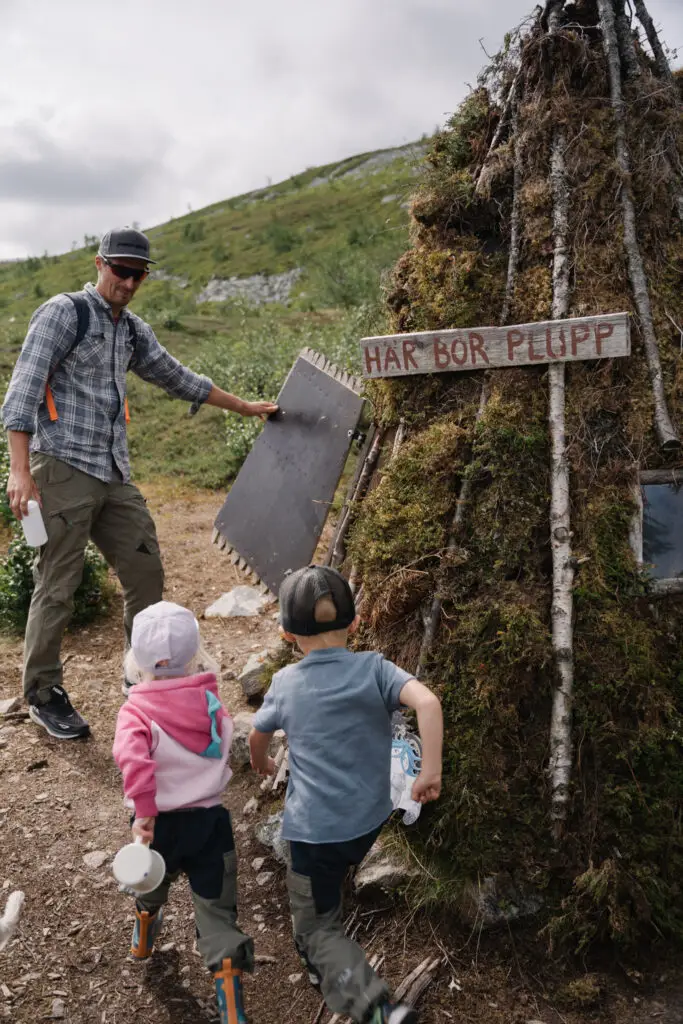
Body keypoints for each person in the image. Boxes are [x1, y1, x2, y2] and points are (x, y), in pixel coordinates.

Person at [1, 227, 277, 740]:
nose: (128, 281)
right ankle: (42, 692)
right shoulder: (64, 313)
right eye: (120, 270)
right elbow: (22, 392)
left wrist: (244, 406)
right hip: (59, 467)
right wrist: (19, 471)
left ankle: (145, 677)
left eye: (138, 274)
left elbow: (175, 376)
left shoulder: (130, 329)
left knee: (145, 569)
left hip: (113, 472)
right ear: (99, 263)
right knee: (58, 585)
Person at [249, 565, 443, 1024]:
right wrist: (429, 772)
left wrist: (262, 763)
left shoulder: (284, 684)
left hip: (315, 833)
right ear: (355, 623)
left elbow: (258, 736)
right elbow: (428, 702)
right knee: (331, 876)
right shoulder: (376, 668)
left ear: (285, 634)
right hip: (368, 820)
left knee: (316, 927)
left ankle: (378, 1011)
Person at [112, 600, 252, 1024]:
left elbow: (133, 761)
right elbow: (223, 747)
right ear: (194, 655)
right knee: (216, 909)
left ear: (137, 660)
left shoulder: (136, 711)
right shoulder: (210, 703)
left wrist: (144, 813)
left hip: (158, 825)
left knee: (151, 881)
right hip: (210, 823)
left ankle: (144, 935)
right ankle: (229, 1000)